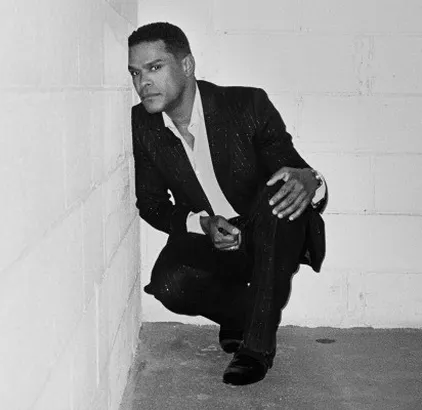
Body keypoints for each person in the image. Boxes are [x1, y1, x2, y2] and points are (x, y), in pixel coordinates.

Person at [128, 22, 328, 386]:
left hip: (268, 229)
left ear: (186, 65)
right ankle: (242, 317)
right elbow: (152, 204)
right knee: (168, 284)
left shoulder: (246, 105)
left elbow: (294, 172)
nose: (143, 82)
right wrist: (202, 224)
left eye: (155, 67)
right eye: (136, 73)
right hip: (215, 236)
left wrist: (312, 179)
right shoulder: (143, 124)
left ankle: (256, 348)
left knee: (278, 194)